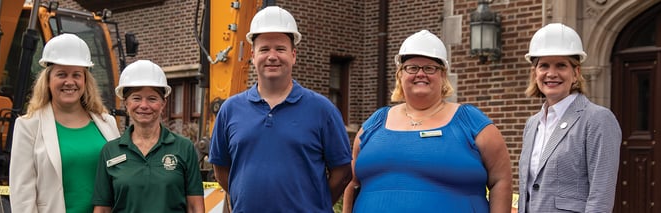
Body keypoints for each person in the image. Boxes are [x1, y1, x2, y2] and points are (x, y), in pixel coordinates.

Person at [341, 30, 512, 213]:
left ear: (443, 75)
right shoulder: (375, 123)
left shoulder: (470, 121)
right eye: (412, 68)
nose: (420, 74)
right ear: (400, 75)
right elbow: (352, 183)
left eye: (430, 68)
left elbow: (501, 180)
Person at [208, 6, 352, 212]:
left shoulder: (322, 110)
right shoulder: (230, 109)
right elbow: (221, 169)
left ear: (293, 55)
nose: (272, 56)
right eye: (264, 49)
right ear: (252, 55)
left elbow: (342, 172)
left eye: (280, 49)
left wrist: (315, 204)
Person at [9, 33, 121, 213]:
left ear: (85, 80)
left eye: (77, 75)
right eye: (61, 74)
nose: (70, 82)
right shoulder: (28, 126)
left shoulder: (107, 123)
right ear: (48, 80)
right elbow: (22, 194)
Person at [518, 23, 621, 213]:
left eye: (561, 65)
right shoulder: (532, 124)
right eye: (544, 66)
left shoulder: (598, 119)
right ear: (535, 73)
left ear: (576, 73)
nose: (551, 73)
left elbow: (601, 196)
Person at [93, 60, 205, 213]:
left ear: (163, 103)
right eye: (136, 98)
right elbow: (103, 209)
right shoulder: (110, 151)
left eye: (152, 98)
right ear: (126, 103)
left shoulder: (184, 148)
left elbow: (195, 207)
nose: (144, 105)